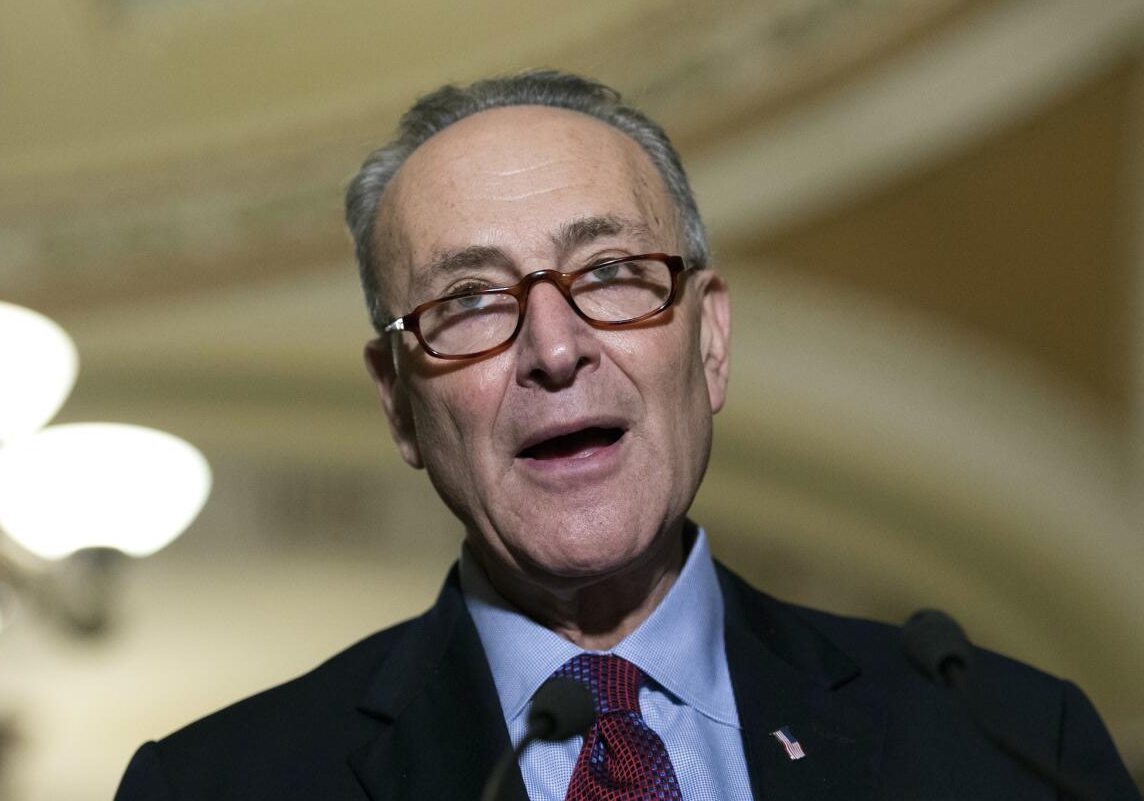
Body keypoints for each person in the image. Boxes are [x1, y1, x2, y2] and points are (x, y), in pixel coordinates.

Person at [114, 70, 1139, 800]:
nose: (554, 349)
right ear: (398, 403)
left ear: (712, 342)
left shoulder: (1004, 741)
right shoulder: (213, 784)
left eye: (608, 273)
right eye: (470, 300)